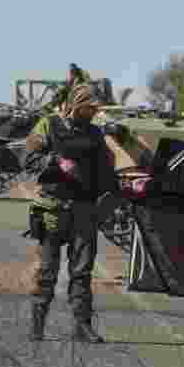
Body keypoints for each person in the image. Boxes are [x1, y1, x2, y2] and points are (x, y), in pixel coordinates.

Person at [24, 84, 119, 343]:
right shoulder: (49, 125)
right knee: (47, 271)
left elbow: (106, 168)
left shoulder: (95, 134)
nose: (94, 112)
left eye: (96, 109)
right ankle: (37, 324)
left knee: (82, 271)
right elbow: (28, 159)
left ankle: (82, 325)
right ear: (77, 104)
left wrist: (112, 192)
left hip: (85, 209)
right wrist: (56, 162)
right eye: (90, 107)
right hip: (53, 207)